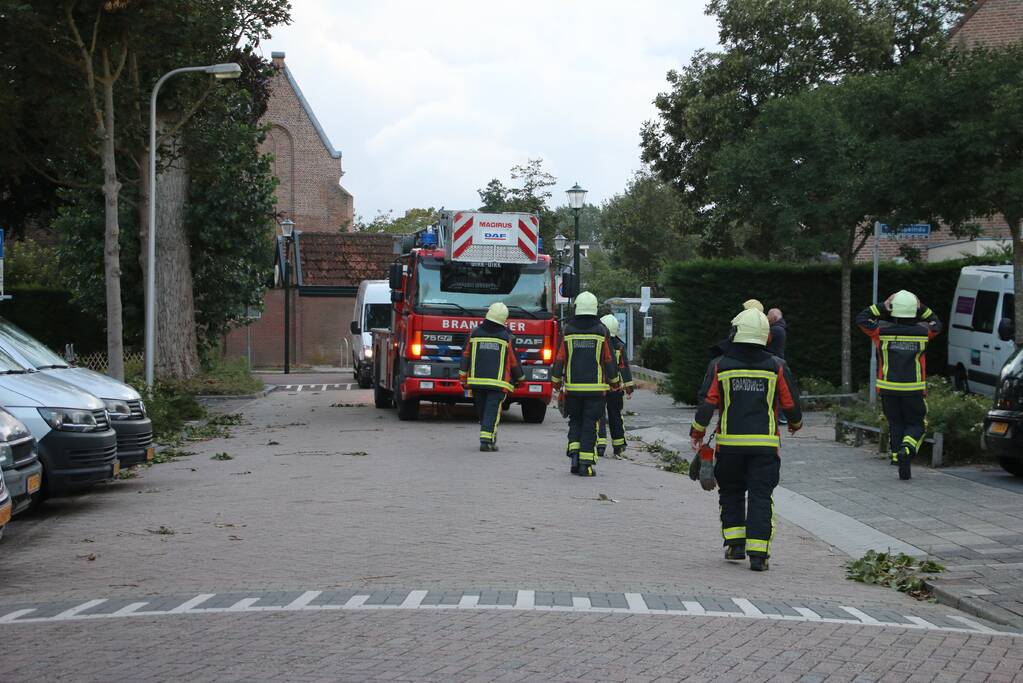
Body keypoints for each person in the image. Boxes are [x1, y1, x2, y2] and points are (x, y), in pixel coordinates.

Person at [690, 307, 803, 572]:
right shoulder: (776, 366)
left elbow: (707, 404)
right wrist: (796, 424)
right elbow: (791, 404)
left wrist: (697, 433)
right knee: (761, 496)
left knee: (731, 493)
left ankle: (735, 545)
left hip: (729, 447)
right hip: (764, 448)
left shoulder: (721, 365)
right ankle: (759, 555)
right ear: (765, 335)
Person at [856, 290, 943, 480]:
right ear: (914, 310)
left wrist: (881, 306)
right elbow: (937, 323)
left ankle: (897, 458)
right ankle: (907, 449)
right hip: (913, 388)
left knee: (895, 422)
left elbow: (861, 318)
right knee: (917, 423)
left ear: (893, 310)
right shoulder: (924, 332)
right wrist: (923, 309)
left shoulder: (881, 331)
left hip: (888, 387)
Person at [552, 291, 622, 477]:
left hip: (573, 388)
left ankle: (574, 457)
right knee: (590, 424)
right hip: (595, 390)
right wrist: (614, 382)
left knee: (575, 421)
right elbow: (608, 360)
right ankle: (586, 464)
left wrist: (556, 381)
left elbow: (560, 358)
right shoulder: (601, 331)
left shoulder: (567, 330)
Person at [459, 302, 525, 452]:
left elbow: (466, 355)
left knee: (483, 410)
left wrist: (462, 377)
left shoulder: (474, 333)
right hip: (497, 383)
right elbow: (513, 361)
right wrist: (521, 378)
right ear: (504, 319)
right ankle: (486, 440)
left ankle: (487, 437)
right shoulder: (505, 337)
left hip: (477, 382)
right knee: (492, 411)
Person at [597, 314, 634, 457]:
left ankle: (600, 445)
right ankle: (618, 446)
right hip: (615, 387)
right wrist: (629, 388)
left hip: (600, 386)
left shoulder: (599, 343)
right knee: (615, 415)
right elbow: (624, 368)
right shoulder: (619, 346)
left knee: (598, 415)